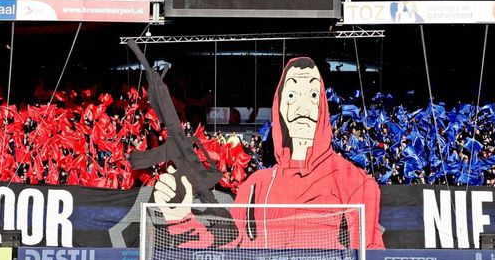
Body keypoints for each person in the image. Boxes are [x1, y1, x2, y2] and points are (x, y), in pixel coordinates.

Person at [154, 57, 384, 249]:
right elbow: (226, 249)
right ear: (279, 108)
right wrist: (180, 218)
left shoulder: (355, 183)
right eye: (292, 96)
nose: (303, 107)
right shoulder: (255, 186)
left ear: (322, 106)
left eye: (312, 95)